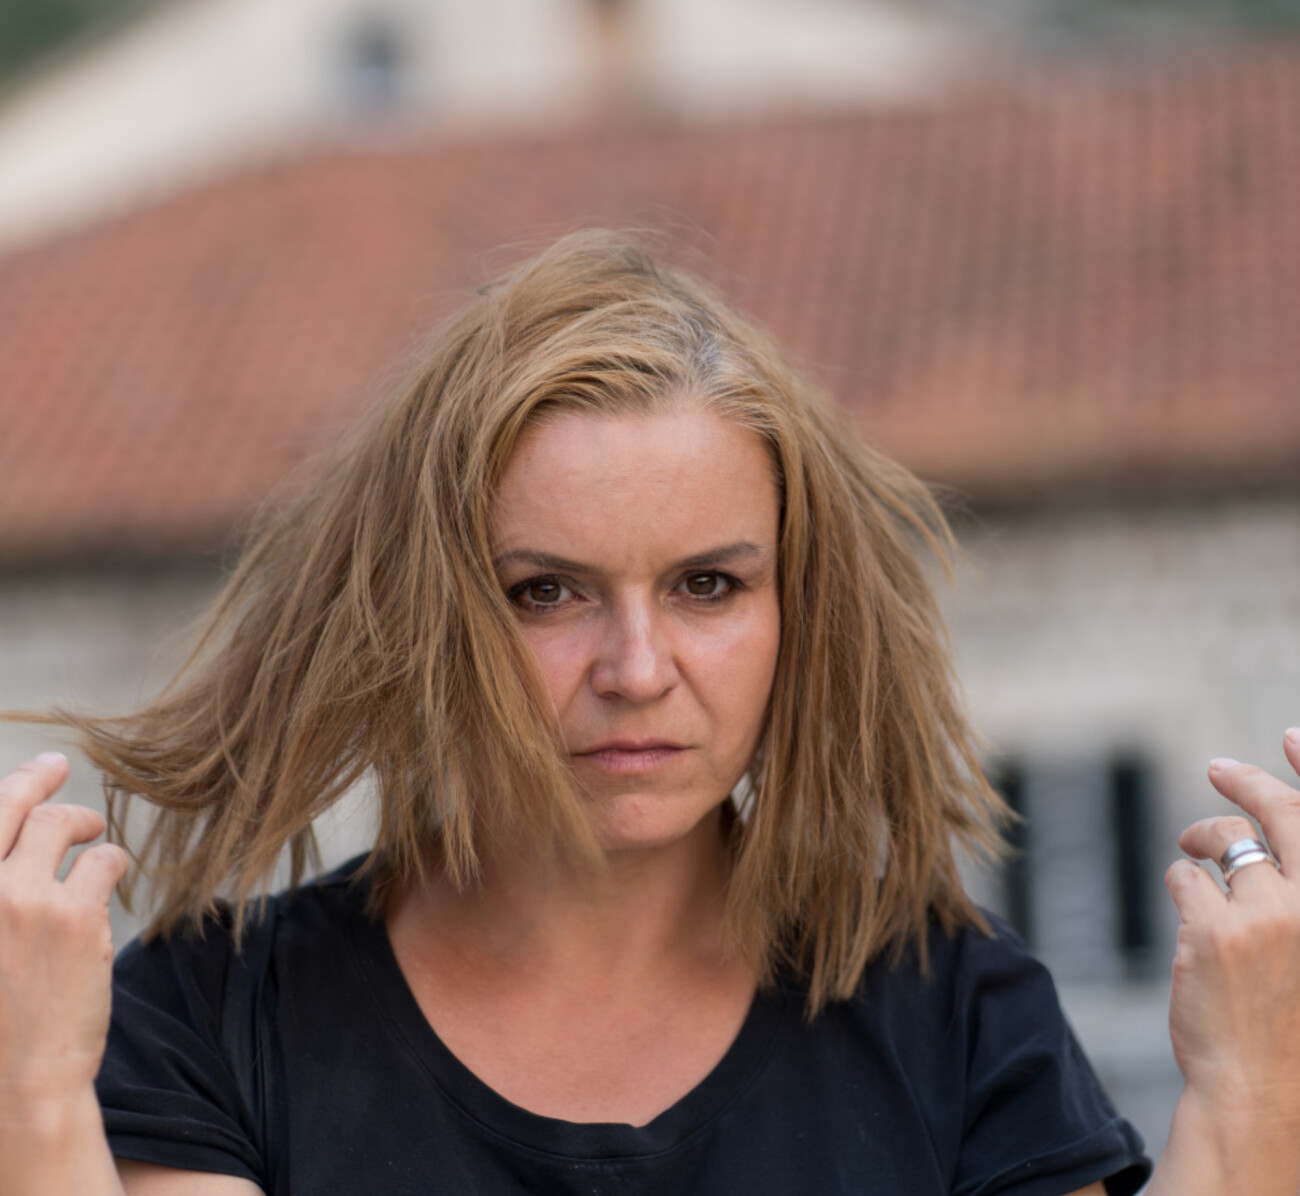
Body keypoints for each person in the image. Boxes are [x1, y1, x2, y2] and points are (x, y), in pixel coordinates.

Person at [1, 232, 1298, 1196]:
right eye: (546, 591)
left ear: (798, 608)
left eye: (707, 586)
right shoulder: (212, 1016)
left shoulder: (953, 1010)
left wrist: (1255, 1091)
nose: (636, 668)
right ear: (425, 615)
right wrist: (32, 1098)